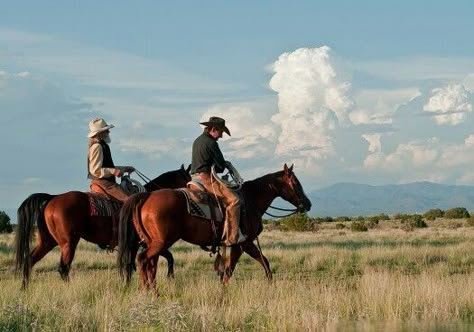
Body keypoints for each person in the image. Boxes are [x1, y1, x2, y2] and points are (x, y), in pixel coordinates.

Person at [190, 116, 246, 246]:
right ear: (214, 129)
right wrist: (224, 164)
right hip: (207, 179)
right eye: (221, 132)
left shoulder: (197, 141)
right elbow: (220, 167)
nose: (221, 136)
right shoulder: (211, 143)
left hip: (194, 178)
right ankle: (232, 237)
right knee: (234, 200)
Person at [87, 118, 135, 202]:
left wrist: (124, 168)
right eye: (106, 131)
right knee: (129, 202)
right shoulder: (97, 147)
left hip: (106, 183)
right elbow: (95, 170)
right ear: (100, 133)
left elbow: (106, 167)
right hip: (104, 184)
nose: (109, 132)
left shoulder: (102, 145)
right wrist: (113, 171)